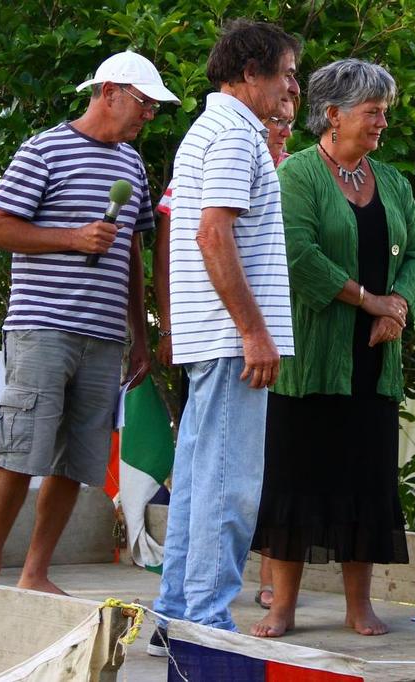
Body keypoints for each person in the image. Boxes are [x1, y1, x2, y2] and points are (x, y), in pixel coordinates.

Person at [0, 51, 179, 594]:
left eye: (155, 108)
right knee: (20, 452)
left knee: (76, 463)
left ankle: (34, 574)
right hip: (42, 327)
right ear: (108, 91)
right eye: (144, 102)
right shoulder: (44, 148)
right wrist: (71, 237)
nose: (149, 116)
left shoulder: (131, 165)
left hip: (106, 336)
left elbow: (132, 255)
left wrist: (141, 331)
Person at [250, 58, 415, 638]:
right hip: (310, 361)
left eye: (383, 111)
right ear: (333, 114)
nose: (382, 122)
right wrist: (367, 301)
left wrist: (397, 306)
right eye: (372, 111)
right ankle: (281, 608)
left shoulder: (394, 182)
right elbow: (296, 256)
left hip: (375, 360)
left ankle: (360, 607)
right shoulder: (295, 176)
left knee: (367, 482)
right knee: (294, 483)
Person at [148, 19, 300, 654]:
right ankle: (207, 626)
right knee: (230, 485)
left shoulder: (212, 130)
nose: (295, 85)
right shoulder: (235, 135)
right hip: (230, 337)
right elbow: (213, 234)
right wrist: (253, 331)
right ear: (249, 74)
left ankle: (176, 615)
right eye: (287, 72)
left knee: (202, 477)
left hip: (211, 334)